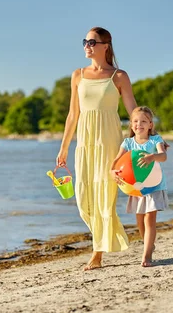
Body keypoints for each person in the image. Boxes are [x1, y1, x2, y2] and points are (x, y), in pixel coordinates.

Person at [56, 26, 137, 271]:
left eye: (92, 41)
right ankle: (106, 239)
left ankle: (97, 253)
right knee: (83, 199)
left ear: (105, 46)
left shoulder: (119, 76)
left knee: (105, 198)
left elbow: (133, 110)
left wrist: (146, 138)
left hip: (109, 141)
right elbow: (73, 115)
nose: (87, 45)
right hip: (85, 143)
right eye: (85, 41)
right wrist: (64, 148)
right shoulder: (78, 75)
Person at [111, 106, 168, 267]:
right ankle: (148, 244)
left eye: (143, 121)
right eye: (135, 121)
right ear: (130, 124)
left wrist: (152, 157)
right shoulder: (128, 143)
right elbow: (117, 160)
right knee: (140, 220)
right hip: (135, 188)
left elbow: (163, 156)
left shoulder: (155, 140)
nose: (139, 124)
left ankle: (147, 255)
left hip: (154, 185)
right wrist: (112, 172)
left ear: (150, 124)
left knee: (150, 218)